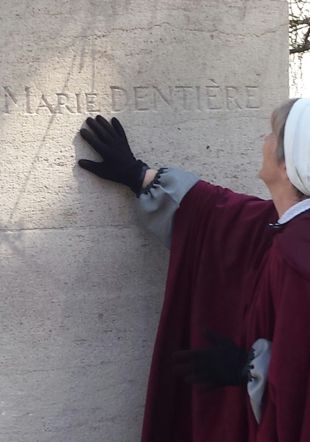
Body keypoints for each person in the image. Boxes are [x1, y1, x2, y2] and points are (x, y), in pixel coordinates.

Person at [78, 97, 310, 442]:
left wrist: (249, 369)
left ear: (288, 160)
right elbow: (218, 214)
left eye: (273, 134)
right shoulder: (283, 226)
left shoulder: (300, 257)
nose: (264, 139)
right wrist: (139, 175)